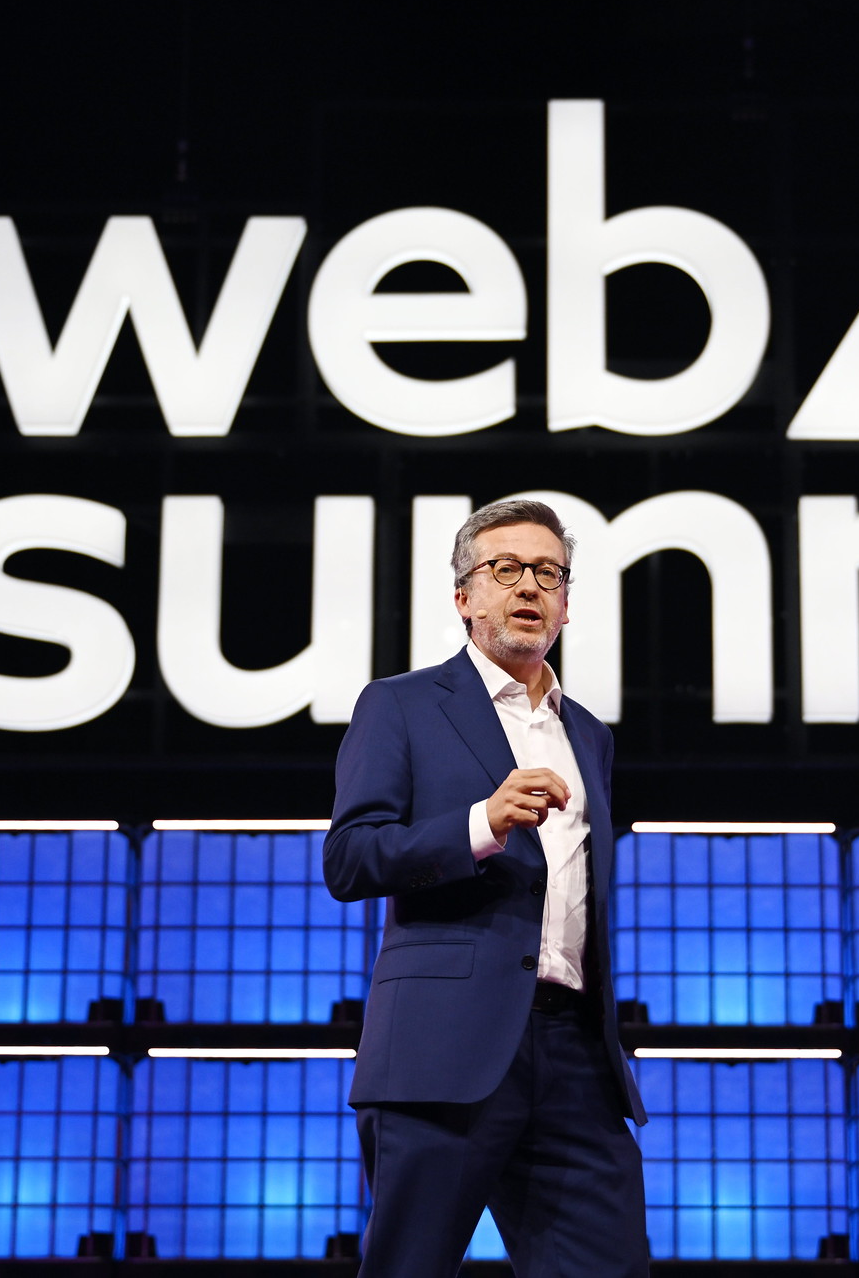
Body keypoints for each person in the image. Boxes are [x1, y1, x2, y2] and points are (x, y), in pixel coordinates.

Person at [323, 497, 648, 1277]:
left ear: (567, 602)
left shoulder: (590, 736)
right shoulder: (400, 704)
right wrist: (480, 822)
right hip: (441, 1053)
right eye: (505, 568)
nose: (528, 586)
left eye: (548, 572)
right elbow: (351, 858)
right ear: (465, 595)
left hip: (575, 1053)